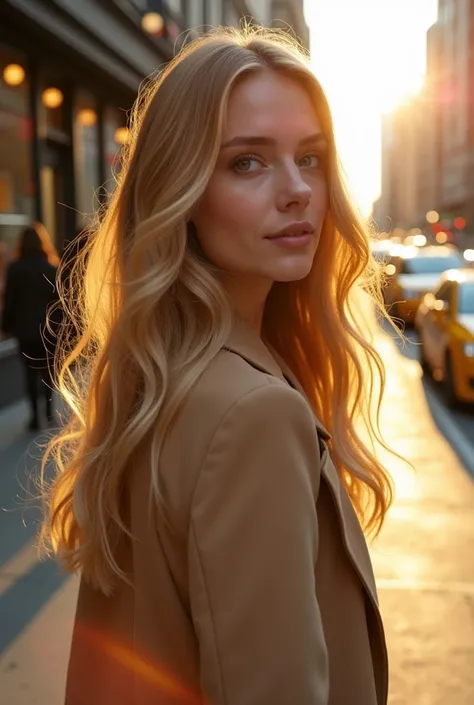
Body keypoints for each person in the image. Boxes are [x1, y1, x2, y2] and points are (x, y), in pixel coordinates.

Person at [40, 27, 396, 705]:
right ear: (183, 189)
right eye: (247, 163)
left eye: (311, 158)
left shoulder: (165, 376)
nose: (297, 191)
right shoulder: (252, 413)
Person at [1, 223, 60, 431]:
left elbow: (10, 301)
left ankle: (35, 417)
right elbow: (59, 303)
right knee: (47, 372)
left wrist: (6, 326)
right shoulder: (51, 267)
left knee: (29, 373)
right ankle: (48, 414)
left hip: (24, 330)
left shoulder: (15, 269)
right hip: (48, 330)